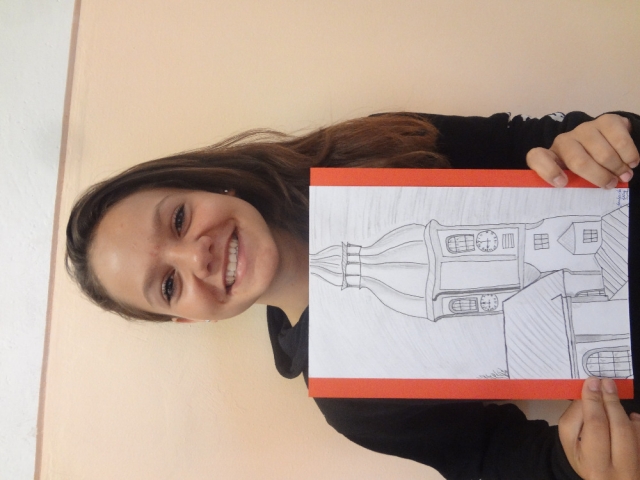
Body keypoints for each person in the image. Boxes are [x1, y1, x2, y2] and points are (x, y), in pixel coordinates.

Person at [66, 111, 640, 480]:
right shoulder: (350, 398)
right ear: (188, 319)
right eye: (169, 285)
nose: (198, 257)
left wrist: (596, 138)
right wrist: (580, 463)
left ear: (207, 182)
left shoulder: (366, 153)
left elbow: (529, 140)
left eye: (179, 219)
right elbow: (495, 460)